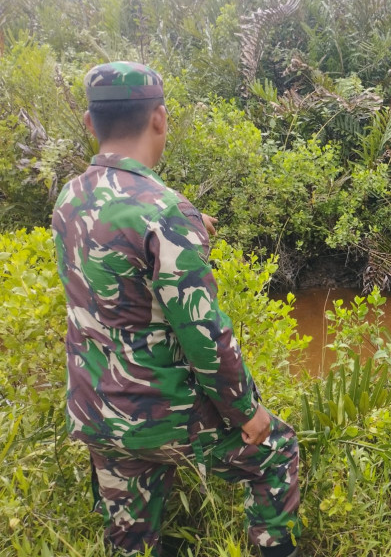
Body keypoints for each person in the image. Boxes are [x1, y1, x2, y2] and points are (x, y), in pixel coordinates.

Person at [51, 62, 300, 557]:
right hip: (157, 415)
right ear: (160, 118)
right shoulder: (163, 210)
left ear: (88, 123)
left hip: (94, 410)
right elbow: (204, 334)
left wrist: (185, 226)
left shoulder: (69, 196)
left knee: (131, 536)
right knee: (276, 450)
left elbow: (120, 254)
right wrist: (245, 411)